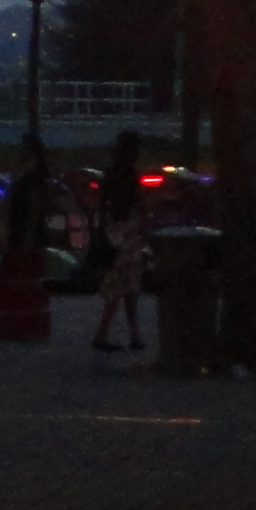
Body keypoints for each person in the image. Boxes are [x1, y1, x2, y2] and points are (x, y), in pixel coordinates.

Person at [90, 129, 152, 353]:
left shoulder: (111, 173)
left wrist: (101, 229)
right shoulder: (131, 175)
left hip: (114, 233)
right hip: (129, 235)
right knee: (127, 288)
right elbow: (140, 205)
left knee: (119, 287)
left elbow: (102, 204)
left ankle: (112, 334)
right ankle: (122, 334)